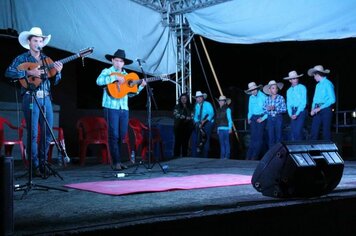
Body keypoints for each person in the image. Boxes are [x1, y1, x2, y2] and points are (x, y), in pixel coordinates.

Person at [5, 27, 63, 177]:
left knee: (48, 133)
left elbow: (54, 81)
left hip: (46, 98)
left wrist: (59, 71)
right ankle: (34, 166)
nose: (38, 43)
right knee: (33, 133)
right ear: (29, 42)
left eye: (40, 41)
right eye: (35, 40)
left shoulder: (46, 59)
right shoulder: (22, 58)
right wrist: (29, 72)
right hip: (30, 97)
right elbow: (9, 72)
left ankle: (43, 163)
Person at [96, 49, 146, 170]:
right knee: (114, 135)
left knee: (122, 135)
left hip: (124, 108)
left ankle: (118, 161)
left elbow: (130, 93)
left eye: (121, 61)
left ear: (124, 63)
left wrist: (140, 87)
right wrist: (114, 79)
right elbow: (99, 81)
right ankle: (116, 162)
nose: (118, 63)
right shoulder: (107, 71)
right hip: (110, 107)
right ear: (112, 60)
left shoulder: (127, 76)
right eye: (116, 60)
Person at [308, 65, 335, 141]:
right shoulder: (317, 85)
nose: (314, 77)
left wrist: (320, 108)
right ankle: (313, 151)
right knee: (314, 132)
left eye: (314, 75)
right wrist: (312, 109)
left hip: (326, 109)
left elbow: (332, 99)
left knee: (325, 132)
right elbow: (315, 99)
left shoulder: (328, 84)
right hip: (317, 110)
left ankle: (327, 151)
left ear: (318, 74)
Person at [245, 82, 267, 160]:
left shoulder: (264, 96)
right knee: (253, 138)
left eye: (254, 89)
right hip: (253, 117)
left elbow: (267, 111)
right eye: (251, 90)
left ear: (257, 88)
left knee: (259, 138)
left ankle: (255, 156)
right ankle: (248, 157)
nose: (253, 91)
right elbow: (250, 109)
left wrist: (263, 118)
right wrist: (248, 118)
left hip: (261, 117)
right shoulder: (251, 97)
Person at [283, 70, 307, 141]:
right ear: (290, 80)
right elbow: (289, 103)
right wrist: (290, 114)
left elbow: (303, 102)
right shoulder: (288, 90)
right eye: (293, 78)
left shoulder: (302, 87)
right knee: (293, 132)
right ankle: (296, 150)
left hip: (301, 111)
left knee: (298, 131)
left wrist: (296, 113)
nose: (295, 79)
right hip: (293, 112)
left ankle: (301, 150)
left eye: (296, 78)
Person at [263, 80, 287, 149]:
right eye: (273, 88)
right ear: (269, 90)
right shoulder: (267, 99)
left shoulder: (281, 98)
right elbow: (264, 110)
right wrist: (268, 109)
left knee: (279, 136)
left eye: (276, 88)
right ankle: (271, 154)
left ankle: (279, 153)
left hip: (278, 118)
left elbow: (284, 109)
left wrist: (275, 108)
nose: (275, 89)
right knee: (271, 137)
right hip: (270, 118)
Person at [191, 91, 214, 158]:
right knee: (198, 139)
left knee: (205, 138)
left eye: (200, 97)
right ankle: (199, 155)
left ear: (202, 98)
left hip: (207, 123)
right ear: (196, 99)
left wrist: (204, 121)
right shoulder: (196, 106)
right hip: (200, 123)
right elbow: (195, 116)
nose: (199, 99)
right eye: (197, 98)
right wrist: (198, 122)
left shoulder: (207, 104)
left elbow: (211, 113)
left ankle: (205, 156)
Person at [173, 93, 194, 157]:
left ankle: (185, 156)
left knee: (185, 142)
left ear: (187, 99)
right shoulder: (177, 106)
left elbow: (192, 115)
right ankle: (176, 156)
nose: (183, 100)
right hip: (178, 126)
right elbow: (176, 114)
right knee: (178, 142)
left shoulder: (190, 106)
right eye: (182, 98)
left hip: (187, 127)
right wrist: (185, 117)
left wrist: (190, 118)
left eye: (185, 98)